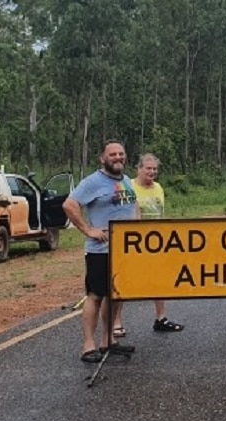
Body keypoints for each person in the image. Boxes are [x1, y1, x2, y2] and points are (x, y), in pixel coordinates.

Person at [62, 139, 138, 363]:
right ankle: (89, 346)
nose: (118, 158)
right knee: (96, 296)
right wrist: (88, 230)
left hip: (124, 251)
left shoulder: (125, 180)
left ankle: (108, 341)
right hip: (100, 251)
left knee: (115, 295)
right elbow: (69, 204)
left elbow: (134, 207)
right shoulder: (93, 182)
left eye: (121, 154)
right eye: (112, 154)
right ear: (103, 158)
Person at [111, 153, 184, 337]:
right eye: (148, 168)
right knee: (123, 282)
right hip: (134, 242)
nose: (152, 172)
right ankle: (116, 322)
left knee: (158, 281)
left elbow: (161, 214)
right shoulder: (128, 186)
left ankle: (161, 318)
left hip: (157, 243)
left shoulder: (158, 187)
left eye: (155, 169)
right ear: (139, 169)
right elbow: (121, 213)